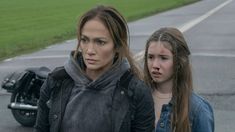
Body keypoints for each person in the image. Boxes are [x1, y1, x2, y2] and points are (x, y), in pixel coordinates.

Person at [34, 5, 155, 132]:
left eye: (100, 42)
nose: (90, 50)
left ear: (118, 46)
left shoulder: (137, 92)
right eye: (84, 40)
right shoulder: (56, 81)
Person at [143, 27, 214, 132]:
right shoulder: (137, 99)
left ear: (179, 61)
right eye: (151, 57)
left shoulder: (198, 109)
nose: (155, 65)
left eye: (163, 58)